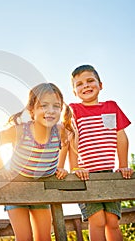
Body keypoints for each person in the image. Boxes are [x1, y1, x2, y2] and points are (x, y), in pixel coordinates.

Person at [0, 83, 74, 241]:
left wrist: (61, 167)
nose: (50, 111)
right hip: (16, 187)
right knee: (24, 237)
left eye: (56, 106)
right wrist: (1, 168)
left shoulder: (60, 130)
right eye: (44, 105)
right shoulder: (22, 131)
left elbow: (67, 143)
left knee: (44, 237)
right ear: (32, 110)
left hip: (41, 187)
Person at [69, 64, 133, 241]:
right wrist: (75, 167)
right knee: (97, 220)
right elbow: (70, 140)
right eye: (79, 84)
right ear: (74, 91)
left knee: (112, 221)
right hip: (86, 176)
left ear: (101, 84)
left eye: (90, 81)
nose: (86, 86)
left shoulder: (111, 107)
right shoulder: (73, 110)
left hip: (109, 175)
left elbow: (121, 137)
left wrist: (123, 165)